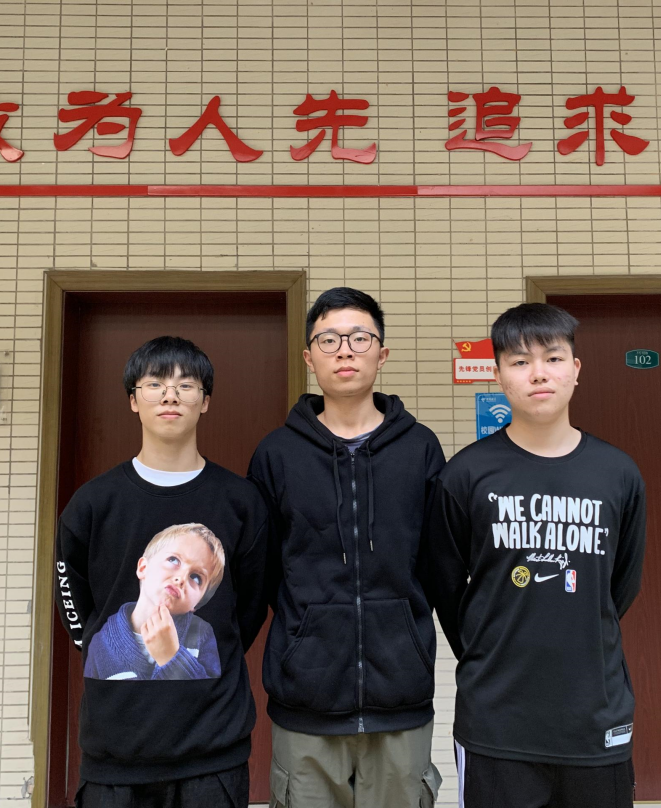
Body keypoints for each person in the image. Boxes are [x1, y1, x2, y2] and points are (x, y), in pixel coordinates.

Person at [421, 303, 647, 808]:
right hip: (497, 720)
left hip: (595, 715)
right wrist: (489, 648)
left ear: (576, 369)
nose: (538, 373)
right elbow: (444, 585)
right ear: (499, 374)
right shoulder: (465, 475)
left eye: (553, 358)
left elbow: (621, 585)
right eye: (520, 361)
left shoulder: (618, 473)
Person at [248, 287, 445, 808]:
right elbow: (264, 572)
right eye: (329, 340)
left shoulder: (420, 448)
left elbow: (438, 566)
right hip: (306, 698)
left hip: (400, 696)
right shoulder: (277, 454)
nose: (345, 351)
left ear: (382, 353)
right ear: (308, 356)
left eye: (360, 338)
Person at [54, 336, 268, 808]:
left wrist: (177, 652)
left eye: (186, 385)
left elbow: (249, 608)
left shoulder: (241, 502)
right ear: (133, 399)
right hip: (114, 753)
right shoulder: (93, 503)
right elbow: (72, 598)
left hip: (211, 751)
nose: (170, 395)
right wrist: (102, 644)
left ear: (205, 401)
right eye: (154, 384)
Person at [84, 523, 225, 681]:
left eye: (196, 577)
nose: (181, 578)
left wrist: (171, 656)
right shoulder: (100, 644)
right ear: (143, 568)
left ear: (197, 604)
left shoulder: (202, 634)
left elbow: (208, 694)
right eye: (173, 560)